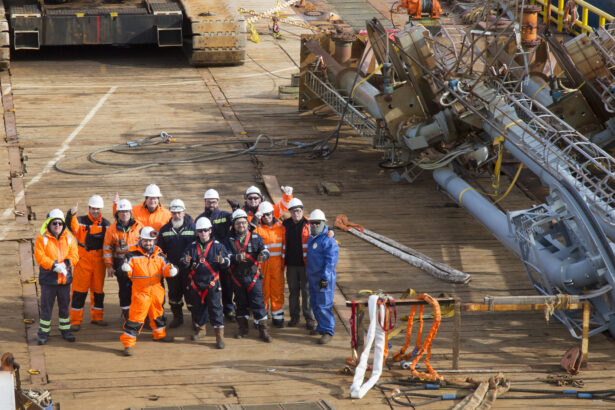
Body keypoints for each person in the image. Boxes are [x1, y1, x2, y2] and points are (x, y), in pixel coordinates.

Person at [120, 227, 177, 356]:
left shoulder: (160, 255)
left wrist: (171, 270)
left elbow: (166, 267)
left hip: (157, 290)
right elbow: (126, 272)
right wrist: (126, 269)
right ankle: (128, 343)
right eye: (146, 241)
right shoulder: (131, 255)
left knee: (158, 314)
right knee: (136, 318)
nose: (149, 244)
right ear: (141, 239)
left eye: (151, 241)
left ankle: (159, 334)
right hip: (141, 292)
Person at [181, 217, 231, 348]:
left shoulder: (218, 246)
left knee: (216, 309)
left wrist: (223, 262)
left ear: (210, 230)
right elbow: (183, 262)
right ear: (197, 232)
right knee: (197, 308)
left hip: (212, 284)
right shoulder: (191, 247)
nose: (203, 233)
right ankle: (201, 330)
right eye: (200, 231)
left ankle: (219, 337)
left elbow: (227, 262)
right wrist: (185, 262)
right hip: (196, 284)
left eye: (205, 230)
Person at [226, 209, 272, 342]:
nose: (241, 225)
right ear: (234, 225)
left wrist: (264, 255)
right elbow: (225, 255)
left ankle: (263, 331)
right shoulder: (229, 240)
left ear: (247, 223)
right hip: (237, 278)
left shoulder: (256, 237)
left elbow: (264, 249)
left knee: (258, 303)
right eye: (238, 223)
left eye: (244, 223)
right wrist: (235, 257)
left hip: (253, 277)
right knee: (240, 303)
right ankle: (243, 328)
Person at [34, 209, 79, 345]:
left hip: (64, 280)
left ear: (63, 224)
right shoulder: (42, 239)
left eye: (60, 223)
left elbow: (75, 255)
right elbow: (40, 257)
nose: (57, 226)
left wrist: (66, 263)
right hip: (49, 280)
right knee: (46, 308)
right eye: (54, 223)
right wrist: (53, 265)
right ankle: (43, 333)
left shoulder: (70, 238)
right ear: (49, 224)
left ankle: (66, 330)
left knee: (64, 307)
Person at [66, 195, 111, 330]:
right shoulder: (80, 221)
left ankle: (97, 317)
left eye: (97, 209)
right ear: (89, 208)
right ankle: (75, 321)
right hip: (83, 260)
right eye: (92, 208)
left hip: (99, 262)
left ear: (101, 209)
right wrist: (71, 214)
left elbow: (110, 242)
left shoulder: (106, 224)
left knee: (98, 291)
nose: (95, 211)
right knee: (79, 291)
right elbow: (72, 227)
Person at [196, 188, 235, 321]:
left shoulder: (225, 215)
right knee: (208, 285)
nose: (211, 205)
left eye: (213, 202)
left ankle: (229, 309)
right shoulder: (200, 218)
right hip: (206, 258)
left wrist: (236, 209)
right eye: (208, 202)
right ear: (205, 202)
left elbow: (239, 223)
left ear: (217, 202)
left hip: (222, 253)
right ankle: (207, 313)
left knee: (226, 284)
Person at [103, 199, 143, 322]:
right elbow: (107, 248)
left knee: (139, 289)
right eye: (121, 211)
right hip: (120, 263)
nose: (124, 214)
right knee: (125, 289)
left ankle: (140, 314)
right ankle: (127, 315)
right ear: (117, 213)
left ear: (130, 212)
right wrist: (109, 265)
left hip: (137, 263)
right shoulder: (111, 229)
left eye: (126, 211)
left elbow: (146, 244)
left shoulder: (139, 226)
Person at [158, 199, 196, 328]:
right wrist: (166, 264)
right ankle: (177, 317)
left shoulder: (194, 228)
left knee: (191, 294)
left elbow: (199, 247)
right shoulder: (164, 230)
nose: (177, 215)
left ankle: (196, 319)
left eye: (179, 212)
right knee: (174, 294)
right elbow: (160, 251)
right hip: (172, 268)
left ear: (184, 212)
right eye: (174, 213)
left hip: (189, 268)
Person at [282, 198, 316, 330]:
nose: (295, 213)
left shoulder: (309, 223)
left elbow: (323, 228)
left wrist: (332, 232)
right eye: (292, 211)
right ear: (290, 212)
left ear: (302, 210)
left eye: (298, 210)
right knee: (293, 291)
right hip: (291, 264)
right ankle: (294, 317)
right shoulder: (285, 224)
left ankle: (309, 318)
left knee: (307, 291)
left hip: (305, 265)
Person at [306, 209, 339, 344]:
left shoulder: (328, 241)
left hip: (323, 278)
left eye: (317, 223)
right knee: (315, 302)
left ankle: (328, 330)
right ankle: (321, 326)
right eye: (312, 223)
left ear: (323, 223)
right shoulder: (312, 238)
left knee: (324, 304)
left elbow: (330, 261)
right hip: (313, 277)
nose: (314, 226)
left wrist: (325, 278)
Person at [254, 201, 286, 327]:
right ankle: (261, 318)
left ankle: (278, 316)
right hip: (262, 265)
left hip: (277, 265)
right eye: (264, 215)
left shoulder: (281, 226)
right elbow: (247, 231)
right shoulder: (257, 228)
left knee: (277, 290)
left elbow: (303, 222)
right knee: (262, 291)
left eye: (269, 214)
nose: (266, 217)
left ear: (273, 214)